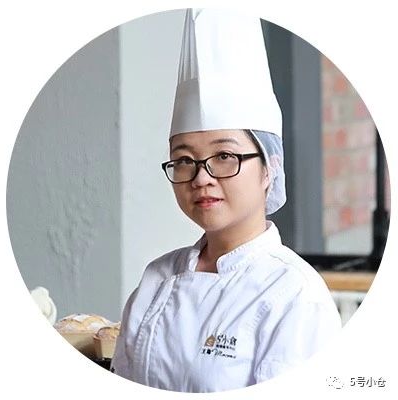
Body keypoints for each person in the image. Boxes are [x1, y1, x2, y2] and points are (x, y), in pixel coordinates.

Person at [110, 8, 341, 392]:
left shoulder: (295, 295)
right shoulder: (156, 278)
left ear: (269, 168)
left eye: (224, 156)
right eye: (185, 159)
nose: (202, 177)